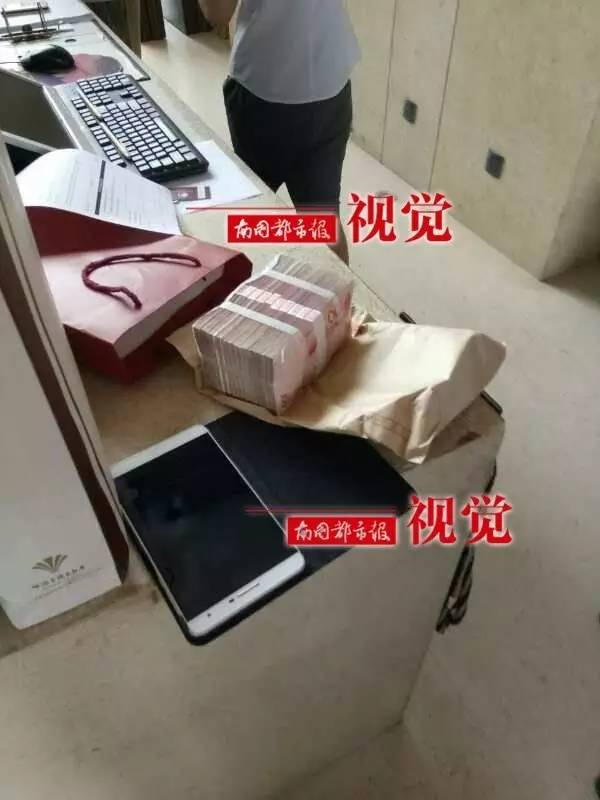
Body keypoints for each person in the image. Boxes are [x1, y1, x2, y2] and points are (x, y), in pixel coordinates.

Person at [199, 0, 360, 264]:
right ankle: (337, 291)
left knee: (254, 213)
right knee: (321, 220)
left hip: (266, 89)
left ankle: (262, 282)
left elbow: (217, 13)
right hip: (330, 79)